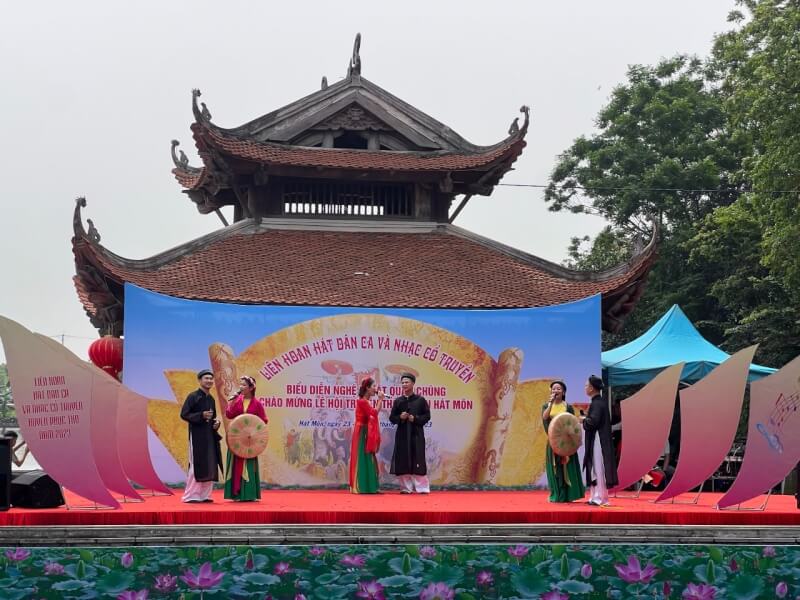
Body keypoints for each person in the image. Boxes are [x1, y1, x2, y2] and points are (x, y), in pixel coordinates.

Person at [180, 369, 223, 503]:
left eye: (211, 378)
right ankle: (190, 496)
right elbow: (184, 414)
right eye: (206, 378)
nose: (209, 381)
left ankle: (205, 495)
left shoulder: (211, 399)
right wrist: (201, 415)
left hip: (209, 437)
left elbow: (213, 418)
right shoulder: (193, 396)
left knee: (210, 464)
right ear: (200, 380)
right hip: (197, 437)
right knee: (197, 465)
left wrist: (216, 424)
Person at [223, 375, 268, 502]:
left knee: (248, 466)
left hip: (249, 442)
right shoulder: (237, 400)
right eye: (240, 384)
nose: (241, 387)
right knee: (235, 465)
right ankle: (235, 495)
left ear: (251, 387)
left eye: (243, 385)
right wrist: (230, 402)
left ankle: (248, 494)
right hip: (236, 440)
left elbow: (263, 420)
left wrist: (252, 428)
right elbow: (229, 414)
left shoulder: (257, 403)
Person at [541, 381, 585, 502]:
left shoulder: (567, 406)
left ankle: (569, 495)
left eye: (559, 389)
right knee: (555, 469)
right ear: (551, 391)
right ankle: (557, 494)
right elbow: (545, 418)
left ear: (564, 392)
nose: (556, 391)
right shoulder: (546, 406)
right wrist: (550, 403)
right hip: (553, 441)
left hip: (567, 442)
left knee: (567, 467)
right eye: (554, 389)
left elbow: (572, 423)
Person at [389, 373, 431, 493]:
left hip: (416, 434)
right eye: (402, 382)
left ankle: (422, 488)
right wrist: (400, 417)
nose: (404, 384)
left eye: (407, 382)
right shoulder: (398, 401)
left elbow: (427, 416)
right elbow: (392, 418)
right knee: (403, 460)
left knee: (418, 459)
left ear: (413, 383)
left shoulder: (420, 400)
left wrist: (415, 419)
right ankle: (405, 488)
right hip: (402, 435)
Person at [581, 375, 619, 506]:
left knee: (598, 469)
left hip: (598, 439)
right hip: (596, 438)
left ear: (592, 388)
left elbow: (593, 423)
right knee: (595, 470)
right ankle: (595, 496)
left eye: (586, 385)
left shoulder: (597, 403)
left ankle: (601, 498)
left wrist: (583, 420)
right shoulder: (598, 402)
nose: (585, 388)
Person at [349, 377, 383, 494]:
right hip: (361, 432)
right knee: (362, 458)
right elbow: (374, 413)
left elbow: (373, 415)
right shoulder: (362, 401)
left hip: (365, 430)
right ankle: (361, 486)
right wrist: (380, 400)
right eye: (374, 387)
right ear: (367, 388)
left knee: (369, 457)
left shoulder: (367, 401)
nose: (376, 389)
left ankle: (370, 486)